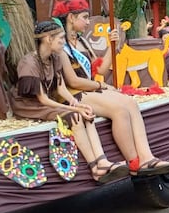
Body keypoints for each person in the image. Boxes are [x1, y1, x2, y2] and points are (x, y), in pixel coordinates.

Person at [53, 0, 169, 176]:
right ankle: (133, 161)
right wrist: (102, 85)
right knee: (119, 110)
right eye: (85, 17)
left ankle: (147, 157)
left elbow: (100, 68)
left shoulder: (83, 42)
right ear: (71, 17)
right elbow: (72, 81)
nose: (88, 22)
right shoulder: (60, 45)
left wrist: (111, 45)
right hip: (73, 95)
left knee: (130, 103)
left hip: (90, 90)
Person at [10, 21, 129, 183]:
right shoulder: (29, 62)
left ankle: (102, 161)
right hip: (29, 105)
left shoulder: (55, 58)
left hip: (46, 102)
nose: (63, 43)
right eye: (60, 39)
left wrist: (77, 103)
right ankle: (95, 167)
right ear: (47, 39)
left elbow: (61, 89)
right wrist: (73, 109)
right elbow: (42, 99)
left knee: (87, 112)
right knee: (75, 117)